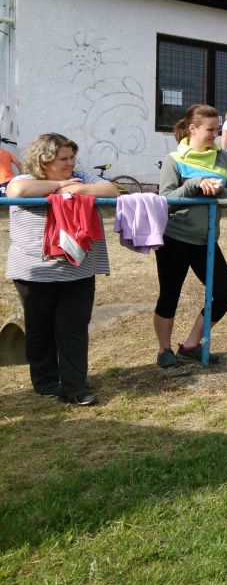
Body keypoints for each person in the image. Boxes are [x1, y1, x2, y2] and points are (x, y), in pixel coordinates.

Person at [5, 133, 118, 405]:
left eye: (72, 157)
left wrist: (74, 190)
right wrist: (59, 187)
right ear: (44, 160)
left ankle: (75, 387)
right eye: (63, 159)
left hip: (78, 272)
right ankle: (45, 382)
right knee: (40, 330)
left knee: (73, 329)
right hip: (34, 272)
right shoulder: (25, 179)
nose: (70, 163)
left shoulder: (82, 178)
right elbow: (16, 192)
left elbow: (111, 190)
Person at [154, 104, 227, 368]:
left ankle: (190, 345)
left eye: (217, 129)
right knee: (170, 296)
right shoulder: (174, 160)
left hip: (206, 241)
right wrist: (194, 185)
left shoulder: (223, 159)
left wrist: (218, 190)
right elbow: (166, 200)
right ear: (192, 129)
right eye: (210, 129)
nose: (215, 134)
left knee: (226, 294)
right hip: (174, 239)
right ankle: (164, 351)